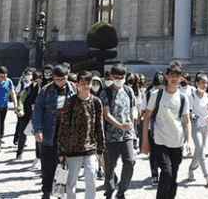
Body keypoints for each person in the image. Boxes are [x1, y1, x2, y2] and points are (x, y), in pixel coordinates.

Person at [142, 61, 193, 199]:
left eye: (177, 76)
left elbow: (187, 121)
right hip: (160, 141)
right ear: (166, 76)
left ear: (181, 78)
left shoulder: (183, 97)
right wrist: (145, 142)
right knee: (166, 173)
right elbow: (146, 118)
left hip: (177, 141)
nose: (174, 78)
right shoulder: (156, 95)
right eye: (171, 75)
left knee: (173, 176)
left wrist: (190, 141)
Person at [57, 70, 105, 199]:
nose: (86, 86)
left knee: (91, 178)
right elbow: (63, 126)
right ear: (77, 84)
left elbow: (99, 126)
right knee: (71, 182)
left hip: (90, 147)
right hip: (72, 148)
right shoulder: (70, 102)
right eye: (82, 83)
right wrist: (61, 150)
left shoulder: (96, 102)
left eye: (88, 83)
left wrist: (101, 147)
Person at [33, 64, 76, 199]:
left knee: (65, 163)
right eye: (58, 79)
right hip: (49, 129)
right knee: (48, 163)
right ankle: (46, 191)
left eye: (63, 79)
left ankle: (61, 191)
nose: (61, 82)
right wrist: (38, 130)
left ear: (67, 76)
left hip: (67, 130)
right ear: (53, 78)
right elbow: (38, 110)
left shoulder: (73, 89)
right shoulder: (46, 90)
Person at [100, 63, 137, 199]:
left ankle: (121, 191)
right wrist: (120, 125)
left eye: (121, 77)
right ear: (112, 77)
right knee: (109, 168)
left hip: (126, 135)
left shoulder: (128, 91)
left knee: (130, 161)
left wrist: (132, 126)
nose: (119, 79)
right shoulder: (106, 92)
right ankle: (109, 192)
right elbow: (106, 114)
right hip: (111, 136)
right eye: (116, 77)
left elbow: (132, 111)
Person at [187, 72, 208, 187]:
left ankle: (191, 169)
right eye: (202, 82)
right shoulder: (192, 96)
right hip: (195, 127)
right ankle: (207, 176)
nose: (205, 84)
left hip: (205, 127)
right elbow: (188, 112)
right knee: (201, 151)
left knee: (199, 151)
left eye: (206, 82)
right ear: (197, 83)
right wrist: (195, 117)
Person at [144, 71, 165, 186]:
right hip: (151, 127)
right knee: (153, 152)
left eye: (161, 85)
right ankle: (154, 175)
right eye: (157, 85)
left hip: (164, 126)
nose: (159, 88)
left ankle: (163, 173)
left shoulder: (166, 94)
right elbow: (143, 110)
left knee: (162, 151)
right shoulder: (148, 94)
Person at [15, 69, 40, 161]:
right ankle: (19, 152)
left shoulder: (44, 90)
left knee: (38, 135)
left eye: (39, 81)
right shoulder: (27, 90)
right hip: (27, 113)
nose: (37, 83)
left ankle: (39, 156)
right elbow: (21, 100)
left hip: (38, 115)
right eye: (35, 81)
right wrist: (20, 110)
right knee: (23, 133)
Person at [13, 67, 35, 147]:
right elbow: (16, 94)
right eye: (28, 74)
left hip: (29, 107)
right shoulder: (21, 83)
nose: (29, 76)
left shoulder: (33, 84)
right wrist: (16, 106)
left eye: (31, 74)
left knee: (27, 124)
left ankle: (23, 140)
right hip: (21, 106)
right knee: (20, 123)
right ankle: (17, 138)